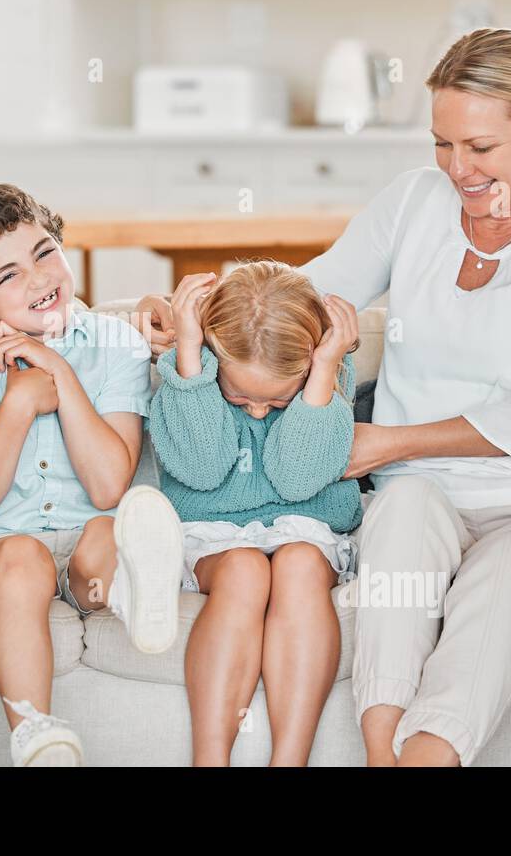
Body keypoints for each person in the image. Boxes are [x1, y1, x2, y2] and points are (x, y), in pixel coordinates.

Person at [136, 27, 511, 767]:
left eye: (480, 148)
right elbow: (307, 294)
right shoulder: (417, 201)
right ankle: (382, 754)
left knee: (506, 570)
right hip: (423, 490)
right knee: (401, 520)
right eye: (442, 144)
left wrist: (388, 442)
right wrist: (200, 313)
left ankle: (427, 759)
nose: (457, 168)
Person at [0, 183, 183, 766]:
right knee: (25, 562)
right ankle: (35, 734)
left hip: (92, 522)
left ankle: (135, 595)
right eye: (8, 276)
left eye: (44, 253)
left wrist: (60, 377)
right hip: (0, 539)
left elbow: (107, 486)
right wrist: (18, 402)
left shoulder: (117, 341)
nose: (40, 279)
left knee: (104, 537)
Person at [148, 261, 362, 766]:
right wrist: (189, 358)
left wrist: (324, 373)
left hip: (304, 523)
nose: (258, 412)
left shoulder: (325, 375)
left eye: (277, 400)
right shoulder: (191, 371)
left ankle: (289, 760)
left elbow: (297, 479)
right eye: (239, 395)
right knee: (243, 570)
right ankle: (210, 760)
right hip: (212, 527)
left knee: (301, 564)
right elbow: (201, 469)